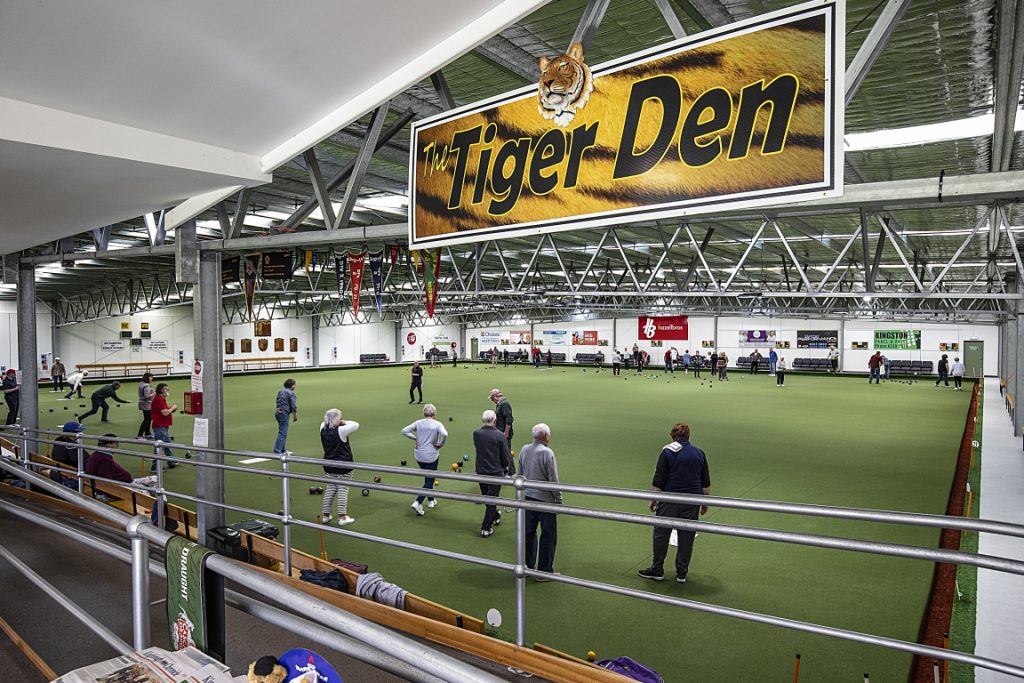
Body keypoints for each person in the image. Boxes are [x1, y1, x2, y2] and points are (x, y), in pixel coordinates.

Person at [637, 422, 711, 584]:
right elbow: (705, 482)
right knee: (687, 536)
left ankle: (657, 569)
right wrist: (704, 503)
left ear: (672, 436)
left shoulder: (667, 452)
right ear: (688, 436)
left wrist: (653, 499)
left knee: (661, 534)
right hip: (692, 501)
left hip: (670, 500)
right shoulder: (699, 453)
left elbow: (659, 479)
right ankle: (681, 573)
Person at [518, 423, 562, 579]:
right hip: (545, 501)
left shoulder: (524, 449)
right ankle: (544, 572)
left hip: (527, 498)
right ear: (546, 436)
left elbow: (520, 475)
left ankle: (528, 567)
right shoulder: (547, 453)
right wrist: (558, 500)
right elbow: (553, 481)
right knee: (548, 536)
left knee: (528, 534)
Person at [401, 403, 448, 515]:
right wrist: (440, 444)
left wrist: (414, 438)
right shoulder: (437, 424)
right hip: (431, 455)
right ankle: (418, 502)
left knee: (428, 477)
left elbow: (404, 431)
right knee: (429, 480)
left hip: (419, 455)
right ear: (434, 413)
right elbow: (445, 434)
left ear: (424, 413)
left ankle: (431, 500)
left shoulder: (418, 423)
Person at [473, 410, 513, 537]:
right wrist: (506, 468)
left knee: (487, 498)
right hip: (495, 472)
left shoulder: (476, 433)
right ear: (495, 421)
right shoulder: (500, 435)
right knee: (491, 500)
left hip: (481, 471)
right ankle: (486, 527)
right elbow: (506, 456)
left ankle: (495, 515)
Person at [320, 408, 359, 526]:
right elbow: (356, 424)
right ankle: (342, 517)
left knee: (331, 487)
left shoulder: (322, 428)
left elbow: (325, 422)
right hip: (344, 464)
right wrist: (343, 422)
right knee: (343, 489)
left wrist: (337, 421)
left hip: (328, 464)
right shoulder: (341, 430)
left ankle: (326, 516)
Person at [85, 434, 154, 487]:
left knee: (155, 479)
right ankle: (161, 504)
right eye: (116, 444)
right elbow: (107, 482)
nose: (118, 446)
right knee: (149, 492)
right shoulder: (104, 459)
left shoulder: (99, 454)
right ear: (109, 445)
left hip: (125, 482)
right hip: (123, 486)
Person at [150, 382, 188, 472]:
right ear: (161, 390)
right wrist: (172, 408)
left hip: (163, 426)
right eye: (166, 389)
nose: (168, 390)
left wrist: (171, 409)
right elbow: (165, 412)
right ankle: (154, 467)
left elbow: (165, 410)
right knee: (160, 447)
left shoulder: (161, 399)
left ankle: (171, 461)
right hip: (160, 426)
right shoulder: (159, 399)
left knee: (167, 444)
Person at [273, 378, 298, 454]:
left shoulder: (281, 391)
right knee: (283, 433)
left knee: (282, 432)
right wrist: (295, 415)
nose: (295, 386)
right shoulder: (291, 393)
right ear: (292, 386)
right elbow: (293, 405)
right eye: (294, 385)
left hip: (278, 412)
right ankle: (277, 450)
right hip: (284, 413)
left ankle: (283, 450)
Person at [137, 372, 156, 439]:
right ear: (147, 378)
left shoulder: (141, 384)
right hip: (146, 404)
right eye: (151, 377)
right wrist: (155, 393)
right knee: (147, 419)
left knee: (149, 418)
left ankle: (147, 433)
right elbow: (147, 396)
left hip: (143, 403)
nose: (152, 379)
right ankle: (140, 435)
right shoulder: (146, 386)